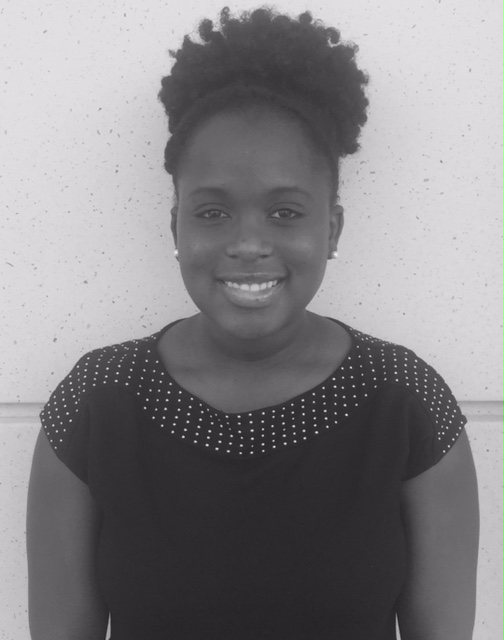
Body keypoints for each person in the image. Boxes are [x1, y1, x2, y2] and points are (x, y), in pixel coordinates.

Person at [26, 6, 479, 640]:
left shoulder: (407, 406)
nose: (247, 244)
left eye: (285, 212)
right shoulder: (95, 405)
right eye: (212, 213)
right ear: (175, 226)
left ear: (332, 228)